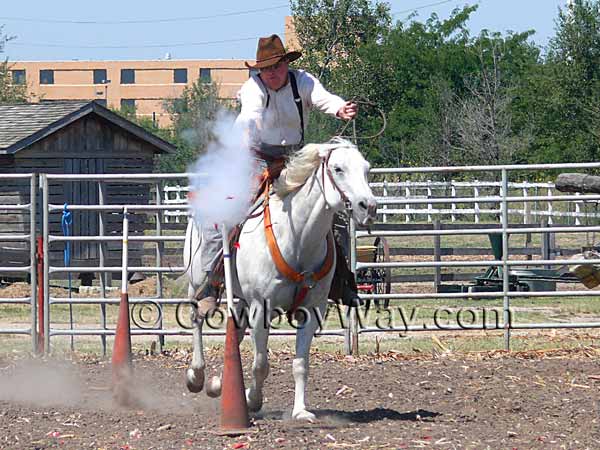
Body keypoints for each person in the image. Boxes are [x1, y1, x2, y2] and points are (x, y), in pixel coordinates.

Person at [195, 34, 360, 310]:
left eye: (276, 66)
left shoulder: (303, 81)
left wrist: (340, 108)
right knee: (229, 211)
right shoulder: (253, 89)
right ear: (259, 71)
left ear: (286, 64)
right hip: (256, 158)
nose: (271, 73)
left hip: (296, 158)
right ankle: (210, 285)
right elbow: (250, 112)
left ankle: (341, 282)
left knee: (331, 211)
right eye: (266, 68)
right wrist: (248, 128)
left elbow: (323, 99)